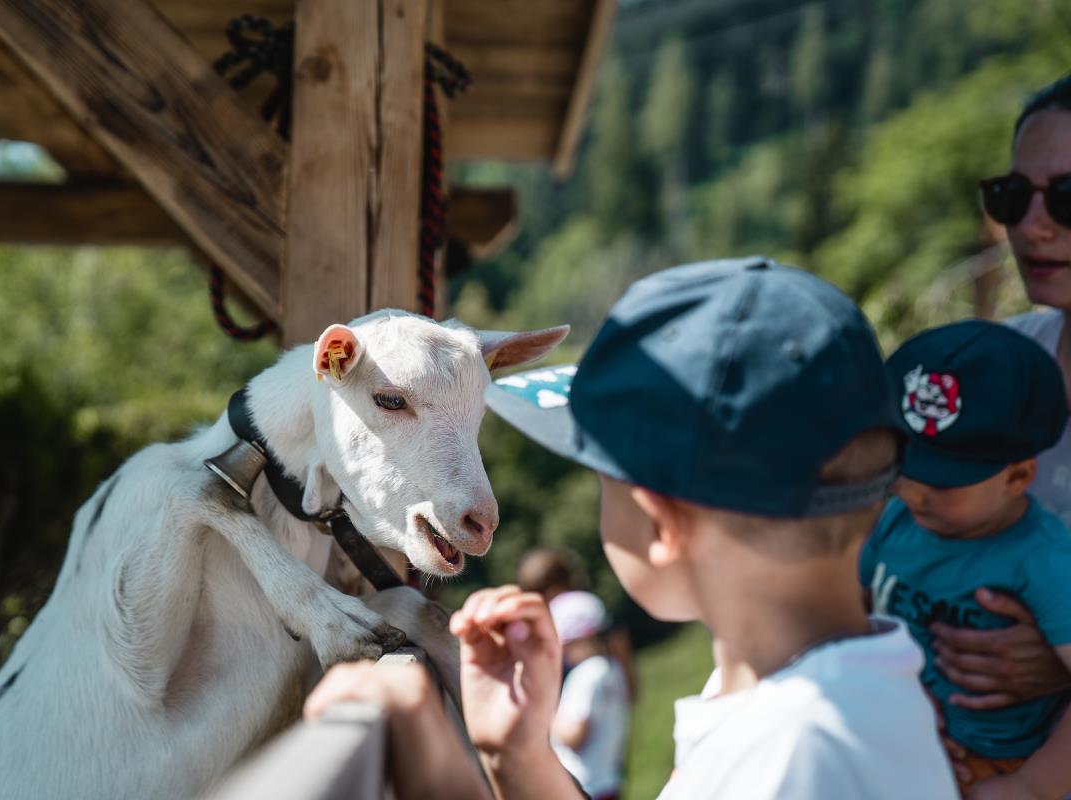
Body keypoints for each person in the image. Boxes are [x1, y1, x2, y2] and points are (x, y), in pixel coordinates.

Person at [303, 258, 959, 798]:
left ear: (656, 523)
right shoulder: (807, 695)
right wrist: (520, 757)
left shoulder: (802, 755)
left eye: (598, 478)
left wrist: (436, 767)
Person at [861, 320, 1071, 798]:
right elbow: (841, 612)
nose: (912, 492)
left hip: (999, 766)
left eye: (941, 480)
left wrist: (1034, 784)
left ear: (1018, 477)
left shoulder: (1044, 560)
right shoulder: (893, 521)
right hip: (903, 740)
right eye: (904, 465)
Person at [929, 74, 1071, 755]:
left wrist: (1058, 660)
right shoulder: (994, 364)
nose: (1033, 226)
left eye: (1069, 198)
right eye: (1012, 197)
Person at [518, 547, 639, 700]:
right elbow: (619, 644)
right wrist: (630, 691)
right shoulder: (590, 604)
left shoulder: (555, 616)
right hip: (608, 689)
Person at [548, 591, 629, 800]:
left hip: (585, 785)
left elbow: (574, 737)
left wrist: (547, 712)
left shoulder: (586, 675)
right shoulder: (612, 668)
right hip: (607, 780)